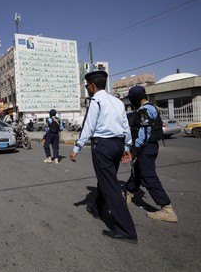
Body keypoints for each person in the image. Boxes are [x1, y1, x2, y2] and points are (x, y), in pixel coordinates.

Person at [69, 71, 137, 244]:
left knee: (110, 186)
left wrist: (77, 148)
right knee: (107, 179)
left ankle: (126, 230)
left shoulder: (96, 101)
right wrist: (127, 146)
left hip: (103, 146)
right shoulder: (117, 101)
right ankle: (98, 208)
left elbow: (88, 127)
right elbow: (125, 125)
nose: (87, 89)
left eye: (86, 86)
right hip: (118, 144)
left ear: (92, 86)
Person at [126, 86, 178, 222]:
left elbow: (144, 132)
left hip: (146, 146)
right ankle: (129, 191)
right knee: (138, 170)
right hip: (150, 146)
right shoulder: (150, 107)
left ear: (136, 98)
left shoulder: (145, 109)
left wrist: (135, 148)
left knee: (148, 176)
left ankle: (166, 209)